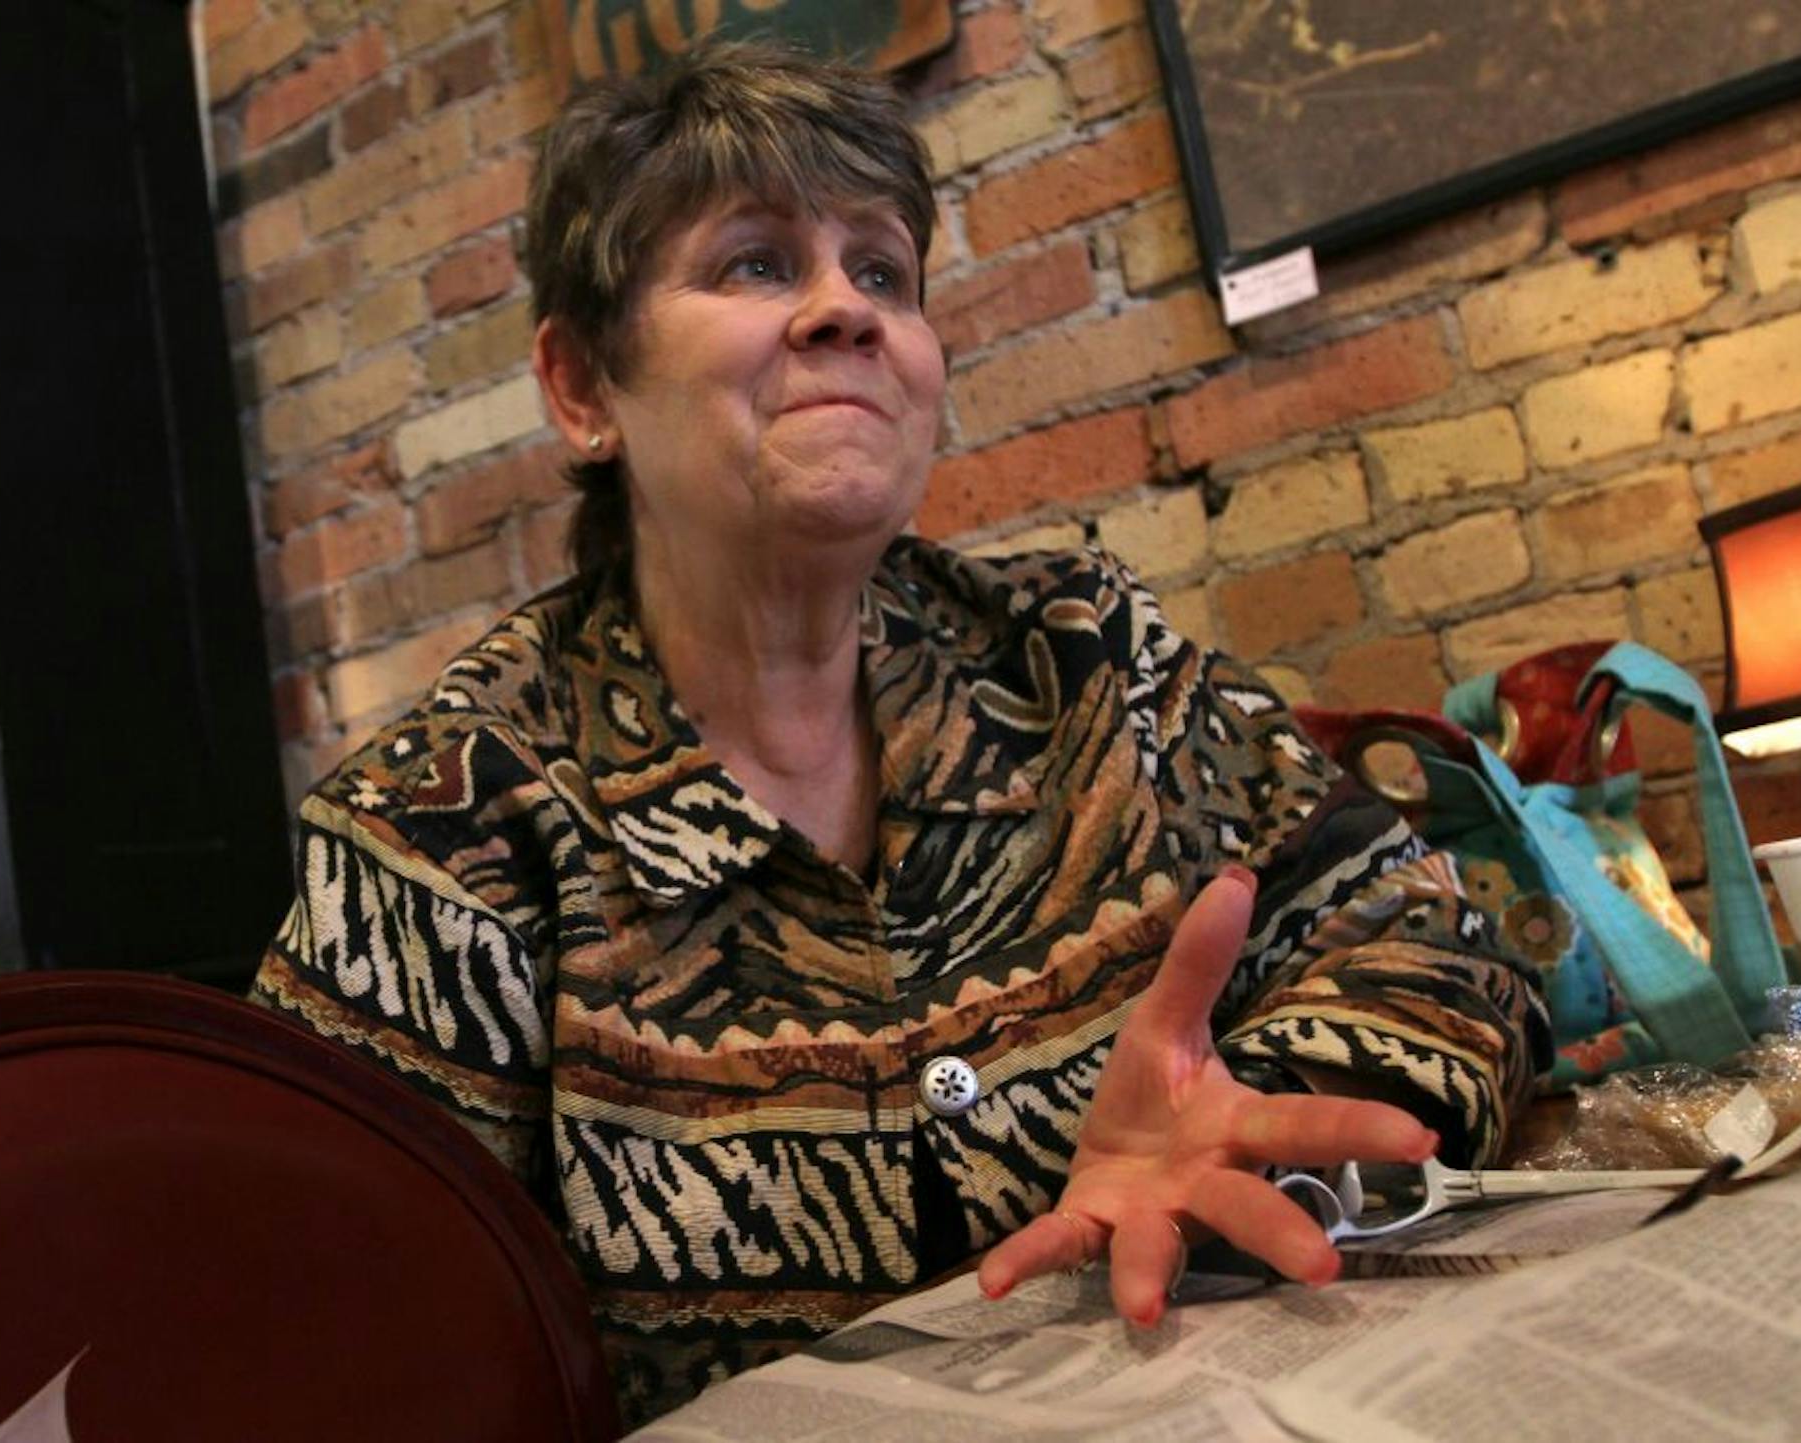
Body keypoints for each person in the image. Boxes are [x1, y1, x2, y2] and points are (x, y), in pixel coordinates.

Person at [252, 40, 1550, 1428]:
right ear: (582, 390)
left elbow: (1435, 942)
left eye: (882, 270)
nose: (844, 312)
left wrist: (1250, 1141)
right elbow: (319, 1338)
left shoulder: (1086, 660)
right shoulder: (450, 826)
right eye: (754, 263)